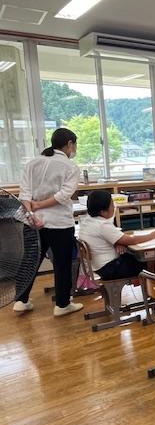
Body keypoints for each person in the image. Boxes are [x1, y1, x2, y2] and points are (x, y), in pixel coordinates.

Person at [15, 128, 84, 317]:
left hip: (31, 221)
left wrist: (32, 212)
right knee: (62, 263)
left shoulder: (32, 163)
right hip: (59, 223)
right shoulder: (70, 167)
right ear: (69, 144)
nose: (74, 149)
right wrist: (39, 205)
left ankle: (21, 300)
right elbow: (63, 196)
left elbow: (24, 193)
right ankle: (62, 305)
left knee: (30, 260)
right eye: (74, 145)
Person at [78, 190, 155, 280]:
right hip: (110, 268)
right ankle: (151, 285)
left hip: (98, 266)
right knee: (149, 261)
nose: (114, 207)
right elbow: (131, 240)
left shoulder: (87, 220)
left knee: (132, 256)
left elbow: (106, 237)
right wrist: (152, 235)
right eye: (112, 205)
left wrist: (117, 242)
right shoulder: (102, 225)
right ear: (103, 212)